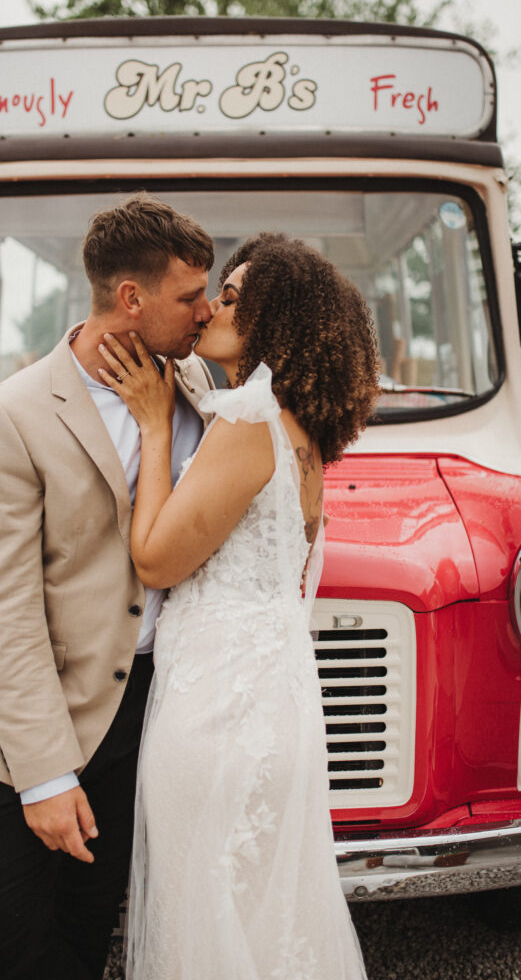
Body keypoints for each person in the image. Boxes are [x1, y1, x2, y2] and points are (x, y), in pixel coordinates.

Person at [98, 232, 381, 980]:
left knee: (208, 923)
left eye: (231, 295)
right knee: (262, 921)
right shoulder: (304, 432)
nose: (213, 305)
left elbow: (156, 556)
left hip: (216, 716)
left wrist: (155, 426)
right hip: (272, 708)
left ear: (274, 320)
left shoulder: (251, 418)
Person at [0, 194, 215, 980]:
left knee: (84, 936)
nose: (203, 311)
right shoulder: (9, 416)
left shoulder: (201, 383)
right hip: (33, 729)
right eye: (188, 295)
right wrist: (45, 776)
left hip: (148, 717)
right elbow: (1, 610)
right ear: (130, 300)